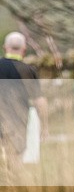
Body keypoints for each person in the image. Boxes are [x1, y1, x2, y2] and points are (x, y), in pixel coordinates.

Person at [0, 32, 48, 181]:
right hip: (19, 121)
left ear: (4, 48)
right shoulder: (28, 71)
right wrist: (44, 126)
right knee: (16, 159)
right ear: (24, 49)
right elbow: (40, 101)